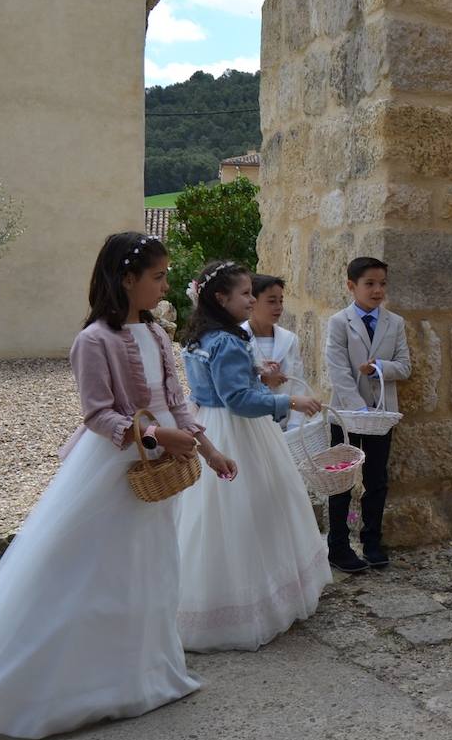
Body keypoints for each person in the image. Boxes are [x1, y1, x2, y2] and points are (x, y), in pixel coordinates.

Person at [0, 233, 237, 740]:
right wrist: (158, 435)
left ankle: (144, 676)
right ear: (126, 279)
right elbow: (98, 414)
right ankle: (50, 688)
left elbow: (177, 400)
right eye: (157, 277)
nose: (165, 286)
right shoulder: (93, 340)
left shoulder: (159, 334)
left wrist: (209, 448)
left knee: (150, 568)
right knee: (94, 572)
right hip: (115, 469)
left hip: (163, 462)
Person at [175, 260, 331, 651]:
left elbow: (218, 385)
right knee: (250, 510)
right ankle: (250, 604)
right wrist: (288, 400)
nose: (250, 300)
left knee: (215, 516)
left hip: (210, 420)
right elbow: (239, 400)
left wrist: (259, 376)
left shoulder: (202, 336)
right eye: (245, 294)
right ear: (219, 297)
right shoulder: (226, 340)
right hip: (237, 430)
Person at [324, 256, 411, 573]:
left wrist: (378, 368)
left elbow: (404, 366)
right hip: (346, 416)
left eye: (382, 284)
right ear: (352, 286)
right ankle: (338, 545)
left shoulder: (395, 323)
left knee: (376, 480)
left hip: (381, 415)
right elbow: (337, 370)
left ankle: (372, 541)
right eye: (369, 284)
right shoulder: (338, 323)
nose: (377, 291)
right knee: (342, 481)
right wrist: (357, 408)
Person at [242, 273, 306, 430]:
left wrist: (295, 424)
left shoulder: (290, 339)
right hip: (249, 424)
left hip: (285, 423)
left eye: (281, 301)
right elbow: (233, 381)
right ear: (252, 302)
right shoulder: (237, 338)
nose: (278, 307)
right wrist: (262, 379)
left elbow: (298, 383)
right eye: (271, 301)